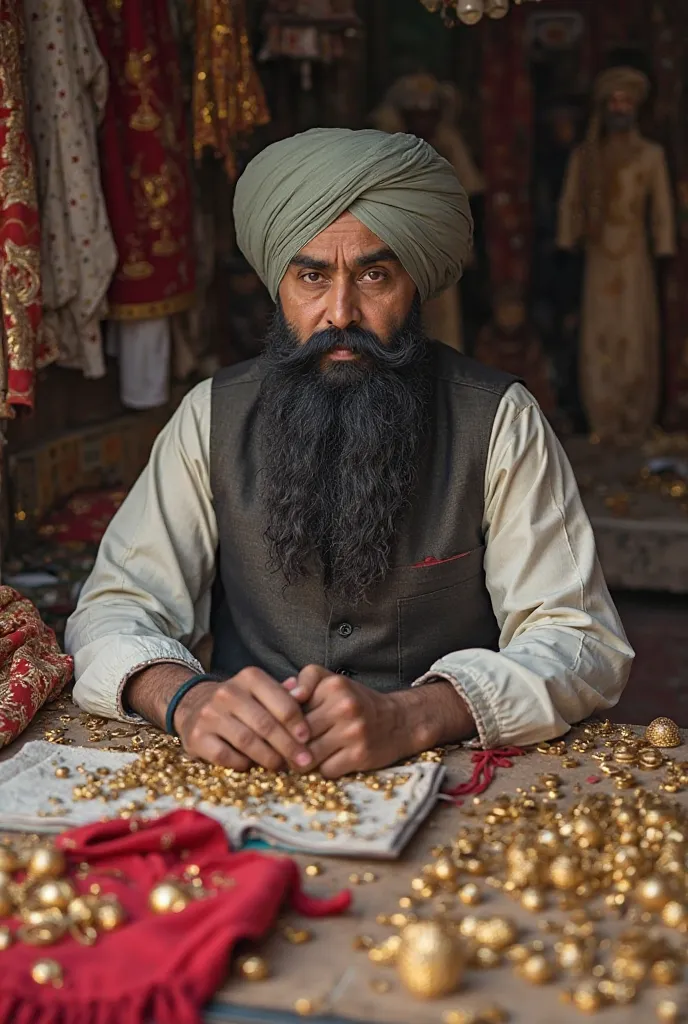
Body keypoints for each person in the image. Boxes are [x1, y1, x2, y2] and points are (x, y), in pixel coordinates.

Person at [66, 128, 633, 780]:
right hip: (244, 771)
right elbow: (114, 606)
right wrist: (186, 699)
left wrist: (417, 715)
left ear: (413, 283)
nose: (341, 311)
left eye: (374, 275)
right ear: (277, 283)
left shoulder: (499, 417)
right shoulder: (211, 414)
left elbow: (580, 638)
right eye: (312, 276)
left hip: (446, 772)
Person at [557, 66, 676, 444]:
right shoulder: (586, 155)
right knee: (600, 333)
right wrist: (569, 237)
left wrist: (664, 245)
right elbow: (571, 201)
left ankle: (636, 418)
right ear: (604, 106)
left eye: (627, 101)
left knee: (634, 330)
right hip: (598, 254)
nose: (620, 108)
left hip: (634, 255)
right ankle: (603, 418)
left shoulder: (650, 155)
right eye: (614, 101)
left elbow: (662, 207)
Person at [371, 73, 485, 352]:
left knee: (443, 321)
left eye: (430, 113)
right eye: (416, 113)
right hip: (397, 249)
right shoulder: (389, 150)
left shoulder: (448, 146)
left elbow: (468, 193)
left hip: (440, 249)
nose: (424, 120)